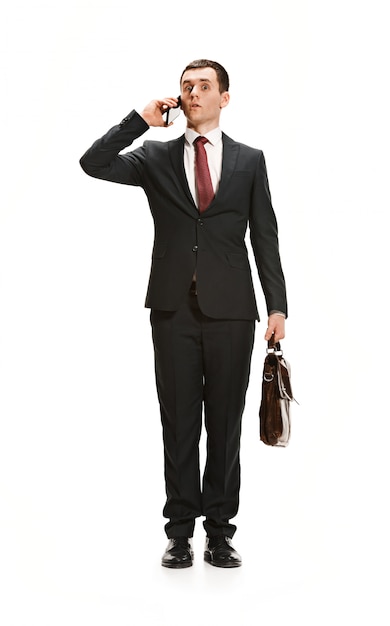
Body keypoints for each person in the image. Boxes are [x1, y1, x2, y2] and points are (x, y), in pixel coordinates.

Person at [79, 59, 287, 569]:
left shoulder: (249, 160)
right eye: (186, 86)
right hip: (172, 309)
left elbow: (265, 234)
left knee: (223, 425)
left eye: (204, 85)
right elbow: (93, 163)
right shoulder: (154, 156)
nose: (193, 92)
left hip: (233, 311)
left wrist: (277, 304)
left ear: (225, 97)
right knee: (177, 425)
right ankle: (179, 533)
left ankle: (220, 532)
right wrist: (139, 120)